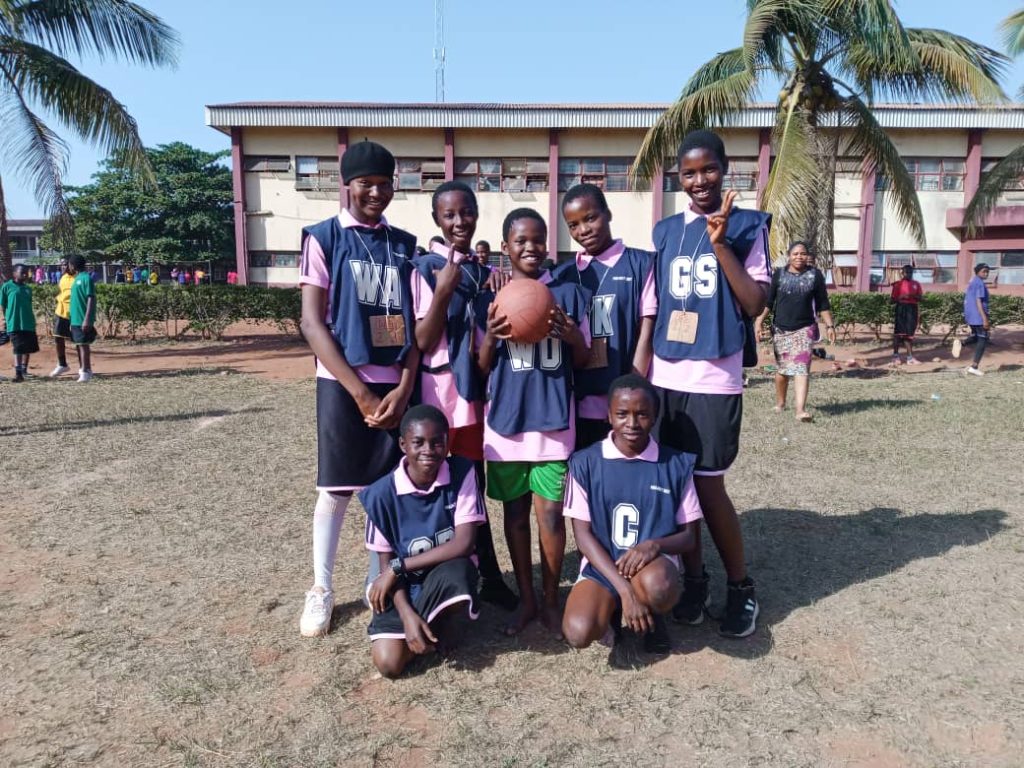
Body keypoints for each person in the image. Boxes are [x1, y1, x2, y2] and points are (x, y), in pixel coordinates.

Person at [634, 129, 769, 638]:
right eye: (688, 173)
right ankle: (695, 580)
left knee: (709, 486)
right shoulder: (666, 230)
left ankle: (740, 588)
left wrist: (721, 245)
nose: (699, 181)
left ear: (724, 168)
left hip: (714, 376)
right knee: (674, 487)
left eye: (708, 169)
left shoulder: (749, 225)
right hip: (667, 375)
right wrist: (641, 371)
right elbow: (655, 305)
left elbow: (755, 303)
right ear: (678, 177)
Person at [297, 140, 420, 638]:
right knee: (335, 490)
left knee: (389, 492)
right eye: (365, 184)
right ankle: (321, 590)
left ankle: (382, 582)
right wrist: (360, 393)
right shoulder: (324, 237)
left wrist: (406, 386)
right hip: (344, 386)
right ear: (344, 186)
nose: (375, 193)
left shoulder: (406, 245)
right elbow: (311, 322)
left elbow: (422, 327)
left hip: (397, 387)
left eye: (384, 184)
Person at [475, 208, 591, 636]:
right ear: (505, 247)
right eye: (521, 241)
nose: (531, 247)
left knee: (551, 517)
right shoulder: (491, 296)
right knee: (516, 515)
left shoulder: (570, 293)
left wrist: (572, 335)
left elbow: (582, 359)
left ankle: (549, 600)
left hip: (554, 425)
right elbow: (481, 367)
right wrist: (490, 334)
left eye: (538, 239)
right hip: (506, 426)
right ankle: (525, 598)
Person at [412, 180, 519, 610]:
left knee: (471, 486)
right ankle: (438, 576)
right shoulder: (422, 268)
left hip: (473, 398)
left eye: (466, 212)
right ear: (436, 219)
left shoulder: (482, 270)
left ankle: (489, 575)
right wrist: (443, 287)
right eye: (449, 215)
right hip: (436, 396)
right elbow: (422, 339)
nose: (459, 221)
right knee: (439, 488)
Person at [562, 375, 702, 653]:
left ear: (655, 416)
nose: (632, 423)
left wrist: (654, 545)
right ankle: (614, 607)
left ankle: (655, 617)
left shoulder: (675, 463)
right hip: (604, 565)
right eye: (622, 414)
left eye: (642, 414)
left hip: (651, 567)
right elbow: (582, 535)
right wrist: (624, 590)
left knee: (659, 587)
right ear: (608, 416)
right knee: (578, 632)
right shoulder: (585, 462)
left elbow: (689, 538)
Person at [361, 405, 484, 678]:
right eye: (418, 442)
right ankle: (419, 627)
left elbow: (463, 543)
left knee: (461, 569)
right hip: (403, 586)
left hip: (443, 576)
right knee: (389, 664)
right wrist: (406, 614)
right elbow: (386, 570)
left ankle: (445, 622)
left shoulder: (462, 472)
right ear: (403, 444)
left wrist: (398, 566)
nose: (428, 450)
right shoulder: (381, 495)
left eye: (437, 442)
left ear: (447, 443)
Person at [552, 183, 654, 449]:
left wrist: (635, 390)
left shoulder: (641, 264)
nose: (583, 230)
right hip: (577, 404)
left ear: (608, 214)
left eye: (590, 218)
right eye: (573, 225)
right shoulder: (563, 275)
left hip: (624, 405)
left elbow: (647, 333)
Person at [756, 241, 836, 422]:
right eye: (795, 254)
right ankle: (781, 402)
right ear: (789, 255)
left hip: (805, 328)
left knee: (801, 368)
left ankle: (800, 410)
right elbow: (769, 302)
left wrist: (830, 326)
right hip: (781, 329)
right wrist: (759, 321)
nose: (799, 257)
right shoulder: (779, 274)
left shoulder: (815, 275)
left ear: (807, 256)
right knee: (783, 371)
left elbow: (823, 304)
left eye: (803, 254)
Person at [1, 264, 40, 382]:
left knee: (27, 347)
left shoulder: (28, 289)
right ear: (14, 273)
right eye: (22, 272)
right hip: (14, 322)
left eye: (26, 272)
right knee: (18, 348)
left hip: (28, 323)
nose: (25, 274)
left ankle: (24, 370)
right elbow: (3, 305)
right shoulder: (6, 287)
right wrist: (6, 320)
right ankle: (18, 373)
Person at [955, 263, 992, 376]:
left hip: (971, 315)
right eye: (983, 271)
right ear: (977, 272)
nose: (986, 273)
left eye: (987, 271)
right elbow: (978, 301)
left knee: (977, 336)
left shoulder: (973, 282)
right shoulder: (979, 283)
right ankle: (974, 367)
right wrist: (984, 318)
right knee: (983, 339)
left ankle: (961, 343)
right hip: (978, 316)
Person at [68, 254, 97, 382]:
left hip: (82, 319)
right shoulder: (77, 278)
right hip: (75, 319)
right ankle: (88, 370)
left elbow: (91, 298)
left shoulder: (86, 278)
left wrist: (87, 319)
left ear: (73, 265)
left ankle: (84, 372)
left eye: (69, 264)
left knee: (83, 345)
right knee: (80, 345)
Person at [890, 264, 923, 365]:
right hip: (901, 308)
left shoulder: (916, 284)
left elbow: (921, 298)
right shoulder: (897, 285)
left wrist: (913, 295)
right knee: (898, 334)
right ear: (902, 273)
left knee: (909, 335)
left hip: (912, 309)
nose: (908, 274)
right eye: (906, 272)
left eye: (910, 272)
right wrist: (901, 297)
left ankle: (910, 358)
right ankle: (895, 357)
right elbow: (892, 300)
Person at [49, 258, 74, 377]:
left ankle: (84, 368)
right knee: (58, 338)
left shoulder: (78, 278)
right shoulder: (63, 278)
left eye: (65, 264)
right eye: (62, 265)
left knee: (79, 341)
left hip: (74, 313)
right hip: (61, 312)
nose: (63, 267)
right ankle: (62, 365)